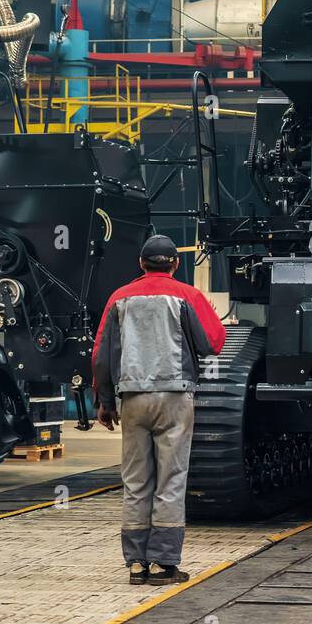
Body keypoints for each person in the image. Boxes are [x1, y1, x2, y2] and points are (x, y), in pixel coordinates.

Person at [91, 234, 226, 586]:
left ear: (141, 263)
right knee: (171, 480)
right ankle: (165, 565)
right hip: (174, 397)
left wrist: (105, 402)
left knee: (136, 483)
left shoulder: (119, 298)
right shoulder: (187, 296)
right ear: (175, 264)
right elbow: (212, 343)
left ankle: (136, 564)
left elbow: (101, 357)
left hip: (132, 399)